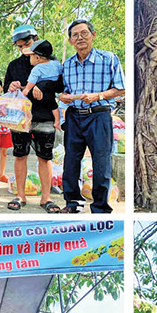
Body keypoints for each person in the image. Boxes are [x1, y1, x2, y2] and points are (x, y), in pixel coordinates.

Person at [60, 19, 125, 214]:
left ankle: (100, 207)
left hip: (99, 116)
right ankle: (73, 203)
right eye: (75, 35)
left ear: (93, 35)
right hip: (74, 116)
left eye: (84, 33)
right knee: (71, 161)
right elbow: (63, 91)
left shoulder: (109, 58)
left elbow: (121, 88)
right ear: (70, 41)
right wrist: (63, 96)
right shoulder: (67, 65)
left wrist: (99, 96)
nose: (80, 37)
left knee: (101, 162)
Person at [3, 24, 64, 213]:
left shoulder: (52, 62)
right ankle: (20, 195)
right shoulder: (14, 65)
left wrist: (42, 86)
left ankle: (46, 198)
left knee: (45, 158)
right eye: (20, 46)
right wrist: (13, 86)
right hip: (20, 119)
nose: (24, 49)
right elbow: (5, 89)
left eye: (27, 44)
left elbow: (61, 87)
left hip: (44, 116)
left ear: (35, 39)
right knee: (19, 155)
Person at [21, 40, 62, 130]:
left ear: (37, 58)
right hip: (51, 93)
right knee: (54, 106)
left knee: (28, 104)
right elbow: (61, 72)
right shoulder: (55, 63)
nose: (29, 58)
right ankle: (57, 122)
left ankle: (28, 120)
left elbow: (31, 81)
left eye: (31, 56)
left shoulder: (37, 69)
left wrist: (26, 89)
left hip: (40, 94)